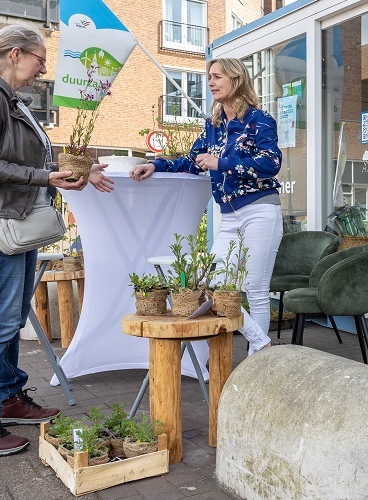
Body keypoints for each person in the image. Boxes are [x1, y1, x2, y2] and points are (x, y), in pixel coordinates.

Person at [0, 25, 114, 457]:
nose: (44, 68)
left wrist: (79, 173)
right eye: (41, 59)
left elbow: (37, 160)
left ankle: (8, 396)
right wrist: (44, 177)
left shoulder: (11, 101)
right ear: (16, 54)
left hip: (17, 220)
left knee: (12, 315)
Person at [131, 58, 283, 355]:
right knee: (210, 285)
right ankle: (262, 343)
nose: (211, 82)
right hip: (229, 216)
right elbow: (191, 160)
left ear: (236, 80)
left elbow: (271, 163)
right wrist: (156, 164)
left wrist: (222, 162)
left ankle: (256, 362)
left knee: (255, 288)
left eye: (217, 77)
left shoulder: (259, 121)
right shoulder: (213, 127)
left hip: (260, 210)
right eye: (209, 77)